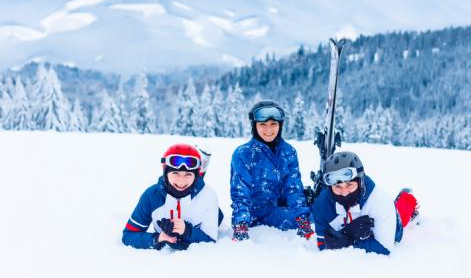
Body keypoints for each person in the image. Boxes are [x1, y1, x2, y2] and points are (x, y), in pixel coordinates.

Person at [230, 100, 313, 241]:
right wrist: (240, 224)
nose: (268, 130)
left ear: (280, 126)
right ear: (254, 126)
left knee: (319, 210)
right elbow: (240, 193)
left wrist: (302, 219)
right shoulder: (244, 153)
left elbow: (293, 188)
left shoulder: (288, 152)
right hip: (256, 214)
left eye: (273, 124)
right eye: (263, 124)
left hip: (281, 207)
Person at [312, 151, 419, 255]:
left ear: (360, 181)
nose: (344, 193)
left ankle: (406, 197)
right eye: (337, 187)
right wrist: (347, 234)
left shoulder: (379, 200)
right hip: (364, 237)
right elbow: (323, 245)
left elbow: (385, 249)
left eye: (349, 185)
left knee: (401, 217)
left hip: (390, 223)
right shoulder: (321, 206)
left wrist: (346, 241)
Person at [122, 143, 220, 251]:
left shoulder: (208, 196)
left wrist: (187, 231)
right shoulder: (151, 196)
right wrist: (157, 238)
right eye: (175, 173)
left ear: (196, 175)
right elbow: (128, 235)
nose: (181, 182)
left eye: (188, 174)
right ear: (165, 172)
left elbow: (210, 241)